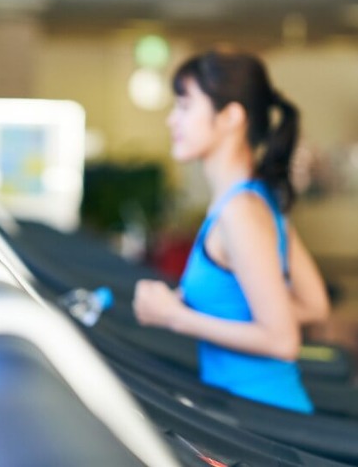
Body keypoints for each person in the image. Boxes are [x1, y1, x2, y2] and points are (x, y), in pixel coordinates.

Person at [133, 50, 330, 413]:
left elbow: (282, 341)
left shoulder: (240, 213)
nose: (171, 119)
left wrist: (174, 317)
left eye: (185, 106)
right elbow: (314, 306)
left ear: (230, 117)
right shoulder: (254, 199)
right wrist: (215, 309)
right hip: (245, 412)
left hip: (261, 420)